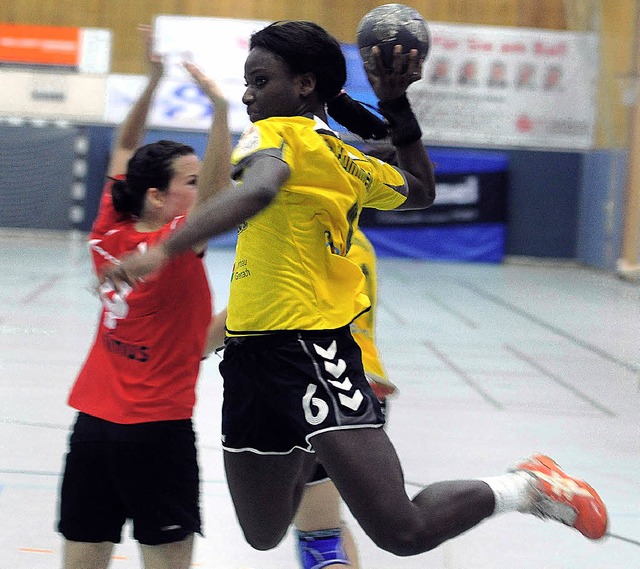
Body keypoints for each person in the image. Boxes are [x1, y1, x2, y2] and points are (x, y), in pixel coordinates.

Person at [102, 20, 608, 566]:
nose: (248, 92)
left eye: (260, 79)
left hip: (311, 353)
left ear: (302, 86)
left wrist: (165, 250)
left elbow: (263, 188)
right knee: (262, 530)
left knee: (403, 531)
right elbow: (421, 189)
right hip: (250, 362)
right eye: (246, 81)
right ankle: (319, 448)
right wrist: (392, 106)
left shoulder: (279, 133)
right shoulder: (341, 155)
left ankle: (526, 486)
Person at [57, 25, 231, 569]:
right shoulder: (173, 245)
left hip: (92, 429)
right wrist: (222, 112)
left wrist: (152, 83)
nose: (198, 189)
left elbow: (125, 147)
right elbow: (222, 195)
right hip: (156, 433)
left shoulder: (110, 227)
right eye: (189, 180)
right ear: (157, 197)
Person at [294, 226, 396, 569]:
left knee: (318, 539)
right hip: (367, 385)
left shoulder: (302, 235)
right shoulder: (360, 239)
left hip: (324, 388)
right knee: (326, 526)